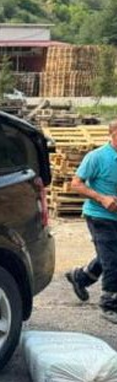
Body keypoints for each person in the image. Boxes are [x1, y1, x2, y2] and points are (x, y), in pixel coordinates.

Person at [67, 118, 117, 323]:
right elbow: (76, 184)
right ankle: (109, 304)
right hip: (98, 215)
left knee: (109, 254)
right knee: (113, 258)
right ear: (112, 134)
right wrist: (101, 198)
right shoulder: (96, 157)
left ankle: (80, 277)